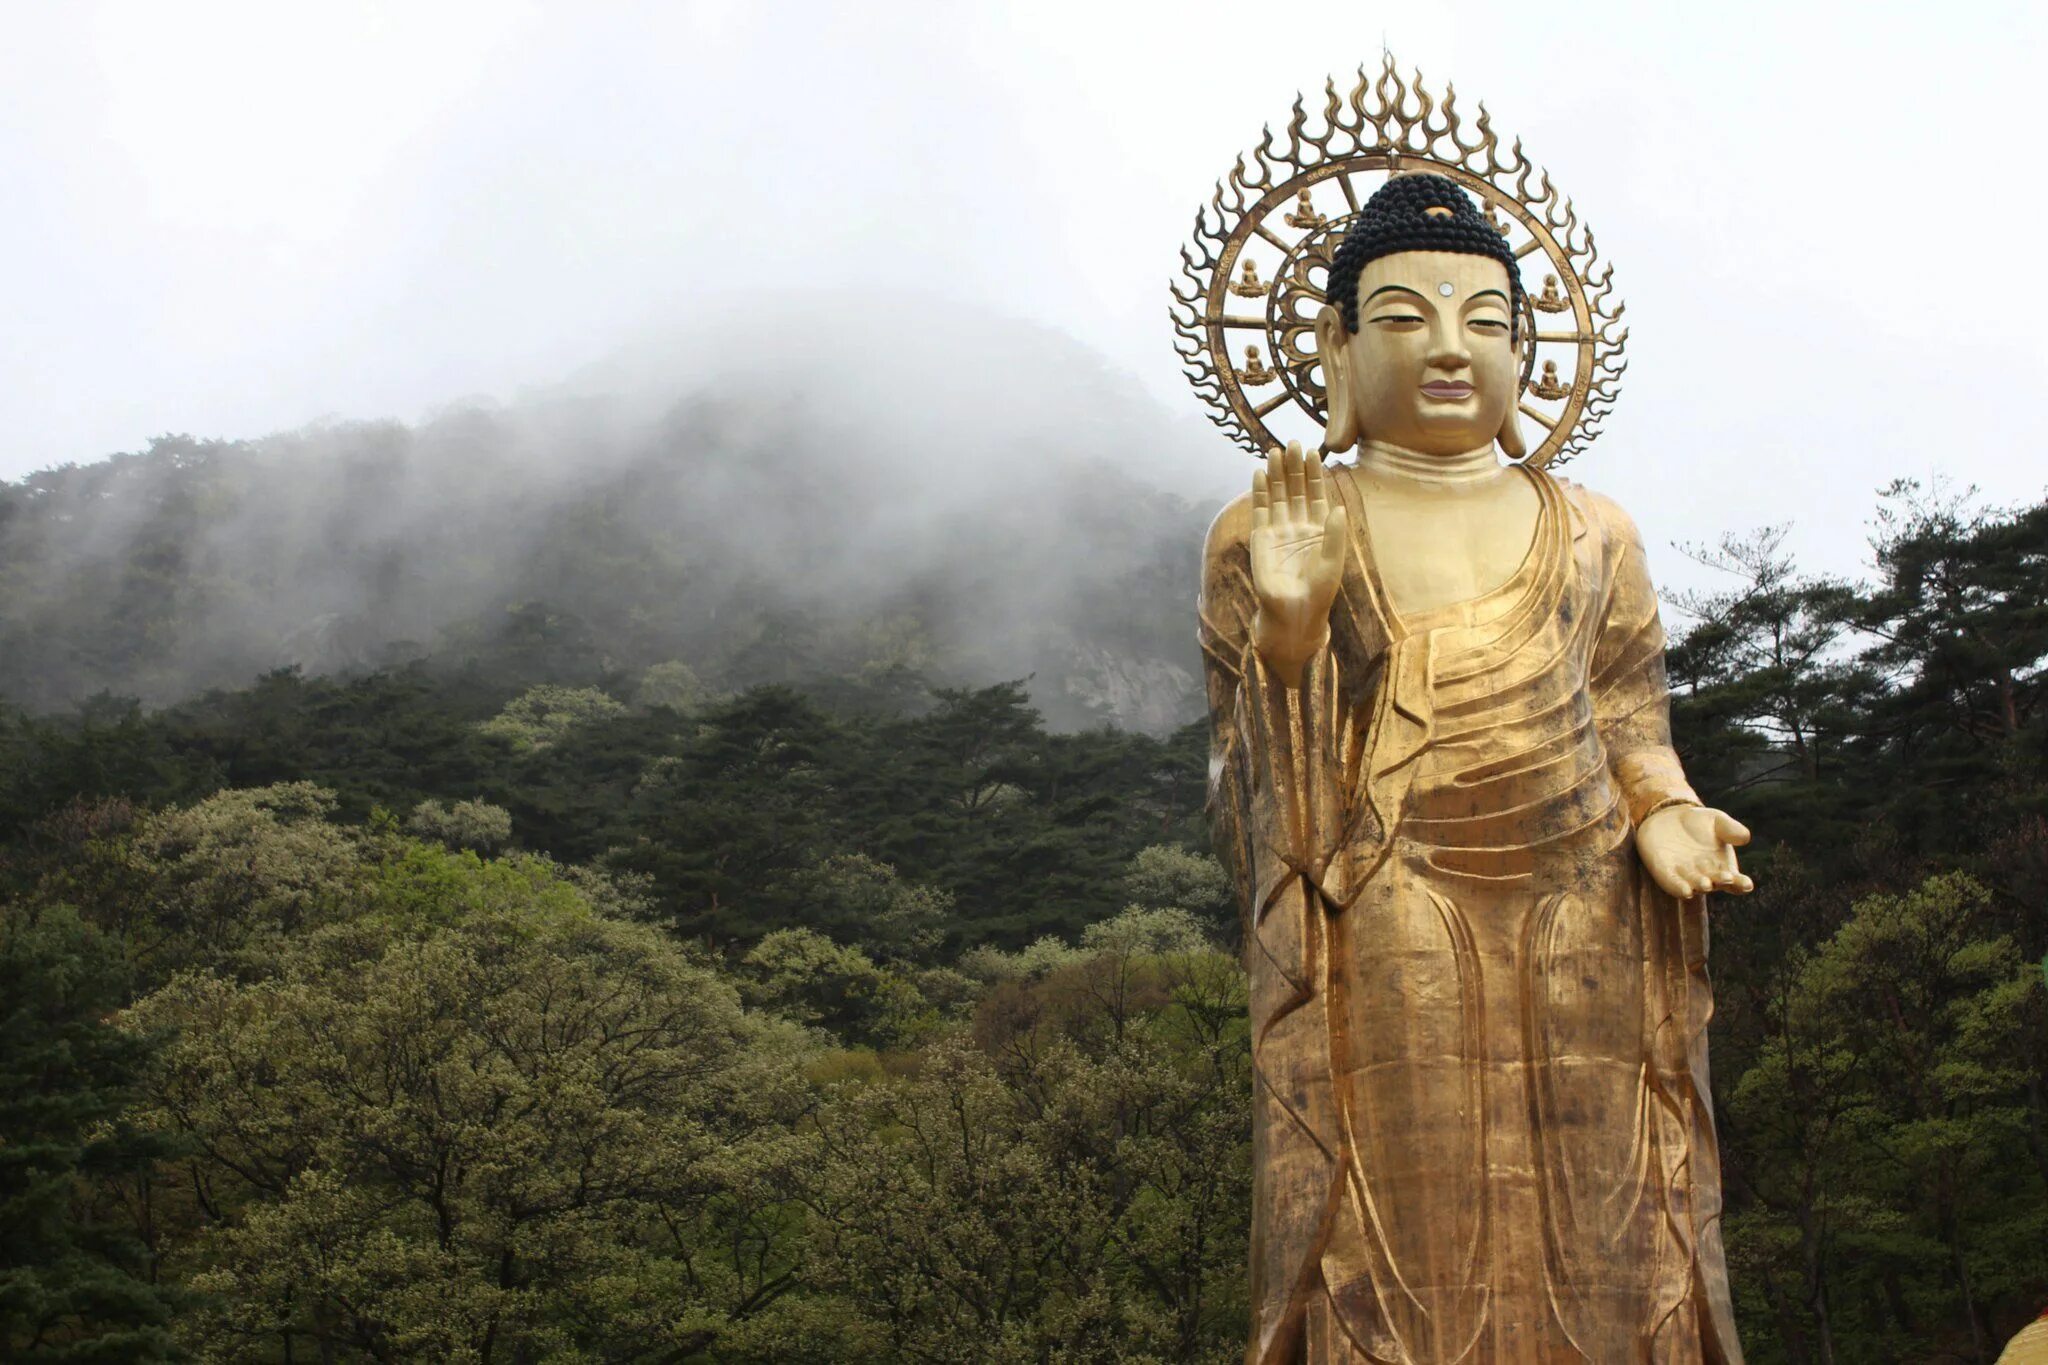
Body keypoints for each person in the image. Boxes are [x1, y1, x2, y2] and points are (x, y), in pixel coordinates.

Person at [1200, 172, 1751, 1363]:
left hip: (1585, 895)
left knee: (1604, 1206)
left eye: (1486, 323)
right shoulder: (1278, 523)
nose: (1450, 349)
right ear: (1335, 351)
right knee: (1404, 1211)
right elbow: (1246, 782)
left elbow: (1628, 714)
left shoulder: (1594, 526)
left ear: (1527, 355)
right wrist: (1289, 634)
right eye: (1403, 318)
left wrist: (1666, 810)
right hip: (1396, 898)